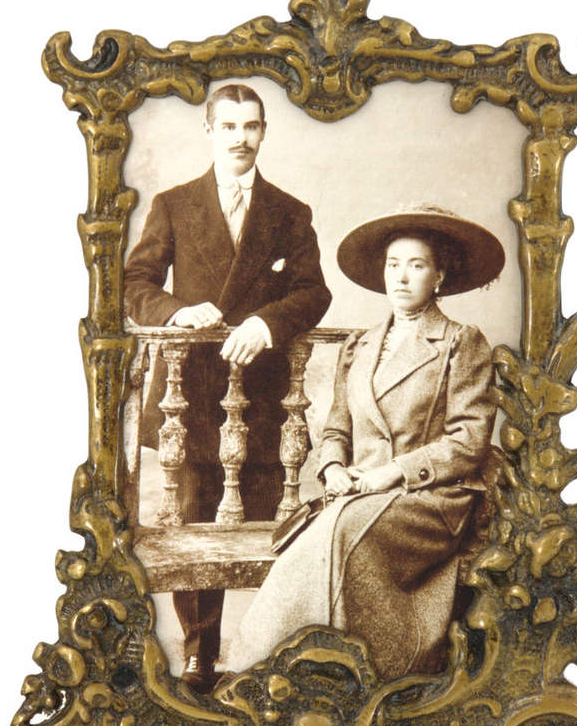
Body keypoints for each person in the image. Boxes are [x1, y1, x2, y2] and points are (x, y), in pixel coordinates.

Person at [219, 207, 504, 680]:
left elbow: (469, 440)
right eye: (393, 264)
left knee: (341, 529)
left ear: (438, 277)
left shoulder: (460, 342)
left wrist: (390, 474)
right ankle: (265, 673)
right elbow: (336, 430)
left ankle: (348, 672)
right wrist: (333, 469)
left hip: (431, 497)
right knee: (324, 532)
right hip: (359, 492)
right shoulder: (361, 346)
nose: (402, 277)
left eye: (416, 265)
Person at [124, 84, 331, 692]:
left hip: (262, 396)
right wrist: (175, 311)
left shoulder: (290, 212)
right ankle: (198, 655)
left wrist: (267, 323)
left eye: (252, 126)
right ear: (209, 131)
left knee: (266, 529)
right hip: (189, 395)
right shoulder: (173, 204)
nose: (241, 138)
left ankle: (268, 656)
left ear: (263, 132)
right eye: (230, 126)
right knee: (193, 526)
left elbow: (314, 291)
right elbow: (135, 282)